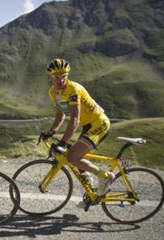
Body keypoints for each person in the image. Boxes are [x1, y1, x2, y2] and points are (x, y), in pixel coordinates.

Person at [41, 58, 115, 197]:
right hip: (87, 125)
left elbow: (74, 118)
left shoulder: (73, 89)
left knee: (72, 157)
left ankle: (105, 177)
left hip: (99, 123)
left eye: (64, 77)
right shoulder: (53, 93)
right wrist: (51, 131)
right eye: (57, 77)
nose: (61, 80)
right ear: (50, 77)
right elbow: (60, 113)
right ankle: (92, 194)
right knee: (78, 160)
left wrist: (62, 142)